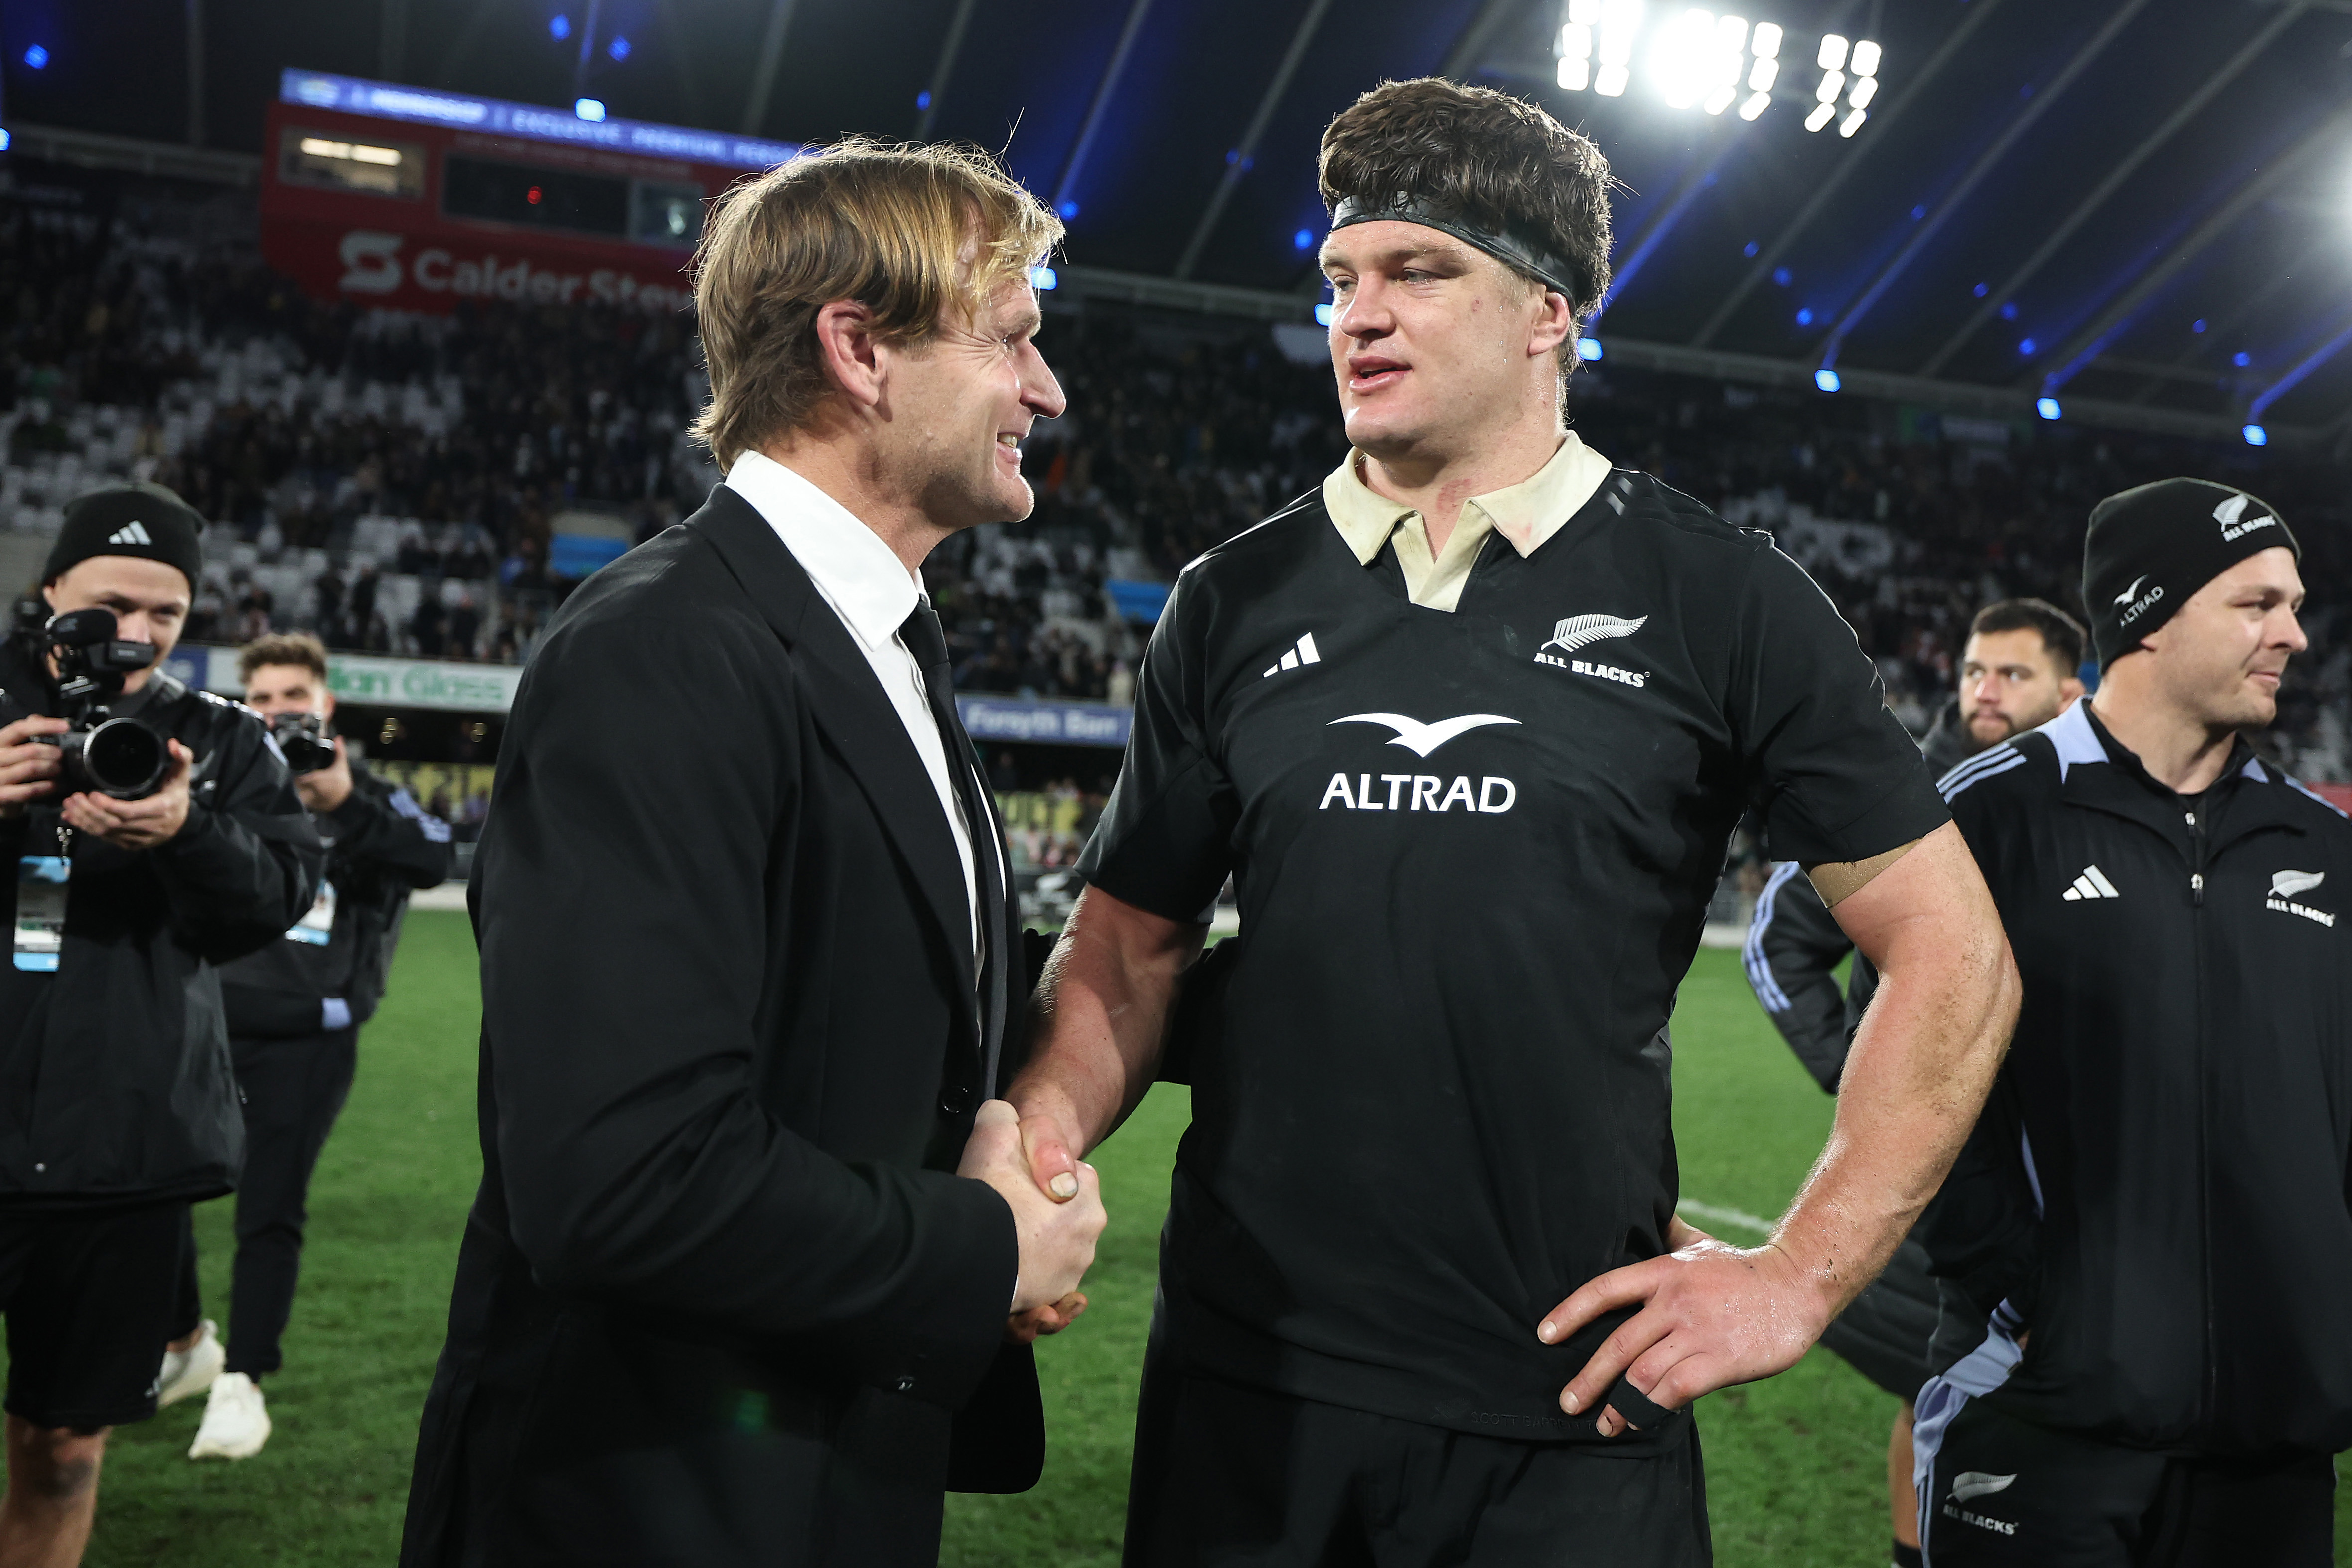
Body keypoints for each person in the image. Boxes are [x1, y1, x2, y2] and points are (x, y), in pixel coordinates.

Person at [1007, 78, 2020, 1567]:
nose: (1362, 313)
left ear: (1549, 313)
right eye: (1344, 278)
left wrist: (1801, 1274)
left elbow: (1954, 954)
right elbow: (1132, 947)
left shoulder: (1720, 597)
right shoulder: (1230, 599)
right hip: (1249, 1392)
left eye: (1421, 271)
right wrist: (1033, 1138)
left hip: (1572, 1403)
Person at [399, 139, 1107, 1568]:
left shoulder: (877, 635)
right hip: (639, 1497)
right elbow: (623, 1175)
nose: (1048, 391)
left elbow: (885, 978)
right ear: (859, 348)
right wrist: (982, 1251)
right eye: (1015, 339)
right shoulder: (664, 646)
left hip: (805, 1466)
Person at [1918, 478, 2352, 1566]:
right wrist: (2038, 1303)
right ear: (2147, 614)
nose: (2292, 635)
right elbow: (1915, 1098)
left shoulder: (2323, 848)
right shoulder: (1985, 816)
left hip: (2274, 1439)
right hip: (2044, 1410)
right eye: (2256, 604)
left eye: (2292, 604)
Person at [0, 483, 321, 1568]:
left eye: (167, 615)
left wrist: (186, 829)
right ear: (50, 590)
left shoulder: (220, 741)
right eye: (110, 603)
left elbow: (278, 900)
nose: (136, 634)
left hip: (118, 1146)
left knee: (63, 1447)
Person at [1743, 598, 2085, 1568]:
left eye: (2009, 675)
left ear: (2070, 691)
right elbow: (1776, 944)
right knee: (1934, 1388)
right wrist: (1879, 1088)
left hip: (2073, 1164)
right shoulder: (1907, 790)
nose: (1982, 690)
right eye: (1974, 670)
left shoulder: (2089, 800)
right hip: (1943, 1172)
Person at [156, 632, 453, 1460]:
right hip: (206, 1019)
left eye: (293, 698)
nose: (276, 713)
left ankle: (242, 1381)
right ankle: (185, 1341)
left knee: (268, 1207)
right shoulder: (225, 787)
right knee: (157, 1184)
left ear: (323, 706)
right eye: (261, 699)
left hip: (306, 1039)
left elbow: (436, 856)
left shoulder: (369, 795)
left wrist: (344, 804)